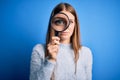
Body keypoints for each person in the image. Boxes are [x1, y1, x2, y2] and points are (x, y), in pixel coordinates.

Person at [30, 2, 93, 80]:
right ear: (53, 23)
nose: (66, 27)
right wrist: (50, 60)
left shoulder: (86, 52)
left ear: (75, 25)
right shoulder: (39, 50)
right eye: (60, 21)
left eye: (70, 22)